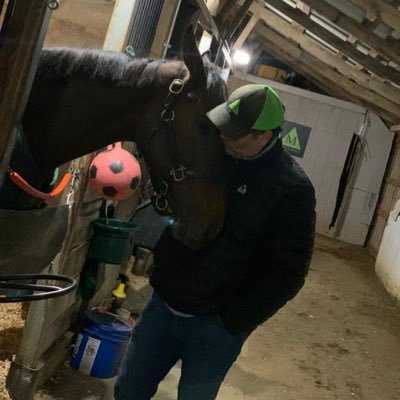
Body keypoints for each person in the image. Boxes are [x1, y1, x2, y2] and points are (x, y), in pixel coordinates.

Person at [114, 84, 316, 400]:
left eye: (234, 133)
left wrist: (232, 321)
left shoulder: (292, 190)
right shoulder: (209, 153)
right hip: (163, 306)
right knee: (127, 390)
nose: (223, 136)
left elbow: (289, 273)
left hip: (215, 328)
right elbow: (167, 188)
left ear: (264, 136)